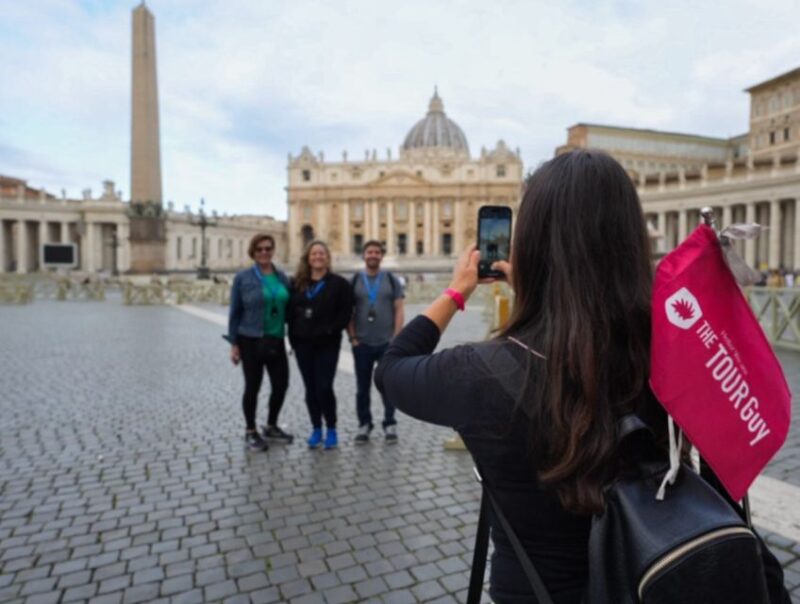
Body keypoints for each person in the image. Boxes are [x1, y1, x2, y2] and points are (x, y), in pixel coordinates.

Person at [375, 151, 687, 602]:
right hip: (650, 580)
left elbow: (392, 367)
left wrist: (456, 291)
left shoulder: (480, 374)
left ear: (535, 245)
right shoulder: (671, 352)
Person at [227, 233, 293, 451]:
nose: (264, 252)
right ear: (253, 253)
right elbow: (235, 312)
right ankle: (250, 430)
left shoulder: (282, 277)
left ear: (273, 250)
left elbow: (292, 306)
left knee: (281, 385)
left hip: (276, 339)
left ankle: (271, 424)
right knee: (252, 387)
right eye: (259, 249)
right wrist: (234, 344)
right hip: (251, 339)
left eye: (267, 248)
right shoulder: (243, 278)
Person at [289, 240, 353, 450]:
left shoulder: (339, 284)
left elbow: (345, 313)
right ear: (308, 258)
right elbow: (290, 313)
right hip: (303, 345)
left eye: (321, 254)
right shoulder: (297, 284)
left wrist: (331, 329)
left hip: (327, 343)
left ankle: (331, 427)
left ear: (327, 258)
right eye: (314, 254)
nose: (318, 257)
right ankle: (316, 427)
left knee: (324, 387)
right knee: (310, 388)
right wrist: (294, 338)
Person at [347, 240, 405, 444]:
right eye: (369, 252)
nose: (373, 255)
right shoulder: (355, 280)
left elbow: (399, 308)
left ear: (381, 256)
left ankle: (390, 422)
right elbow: (349, 312)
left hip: (386, 343)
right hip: (362, 343)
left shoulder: (390, 279)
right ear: (364, 255)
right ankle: (364, 424)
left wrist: (396, 338)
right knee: (362, 387)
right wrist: (353, 338)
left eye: (376, 252)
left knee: (387, 385)